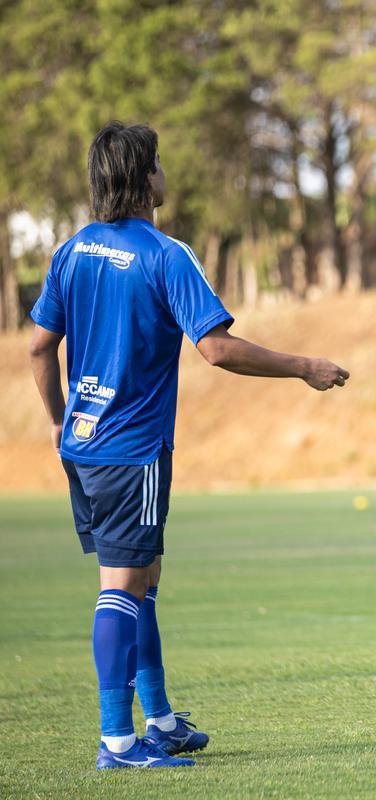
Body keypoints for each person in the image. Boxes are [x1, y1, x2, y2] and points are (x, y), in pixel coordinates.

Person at [28, 121, 349, 770]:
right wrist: (303, 366)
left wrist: (62, 421)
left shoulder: (72, 251)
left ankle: (162, 720)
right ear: (146, 177)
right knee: (122, 585)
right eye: (160, 165)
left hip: (86, 444)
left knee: (142, 578)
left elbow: (38, 346)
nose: (164, 174)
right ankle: (118, 742)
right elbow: (217, 348)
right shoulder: (165, 254)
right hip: (133, 447)